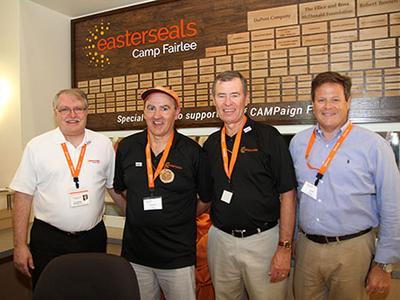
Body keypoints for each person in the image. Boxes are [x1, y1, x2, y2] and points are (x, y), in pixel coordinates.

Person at [289, 71, 400, 300]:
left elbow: (393, 205)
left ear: (348, 103)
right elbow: (294, 198)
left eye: (335, 99)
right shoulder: (298, 143)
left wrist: (383, 264)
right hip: (307, 249)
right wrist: (291, 241)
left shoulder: (374, 145)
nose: (328, 106)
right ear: (313, 104)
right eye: (321, 99)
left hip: (353, 250)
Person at [10, 88, 125, 288]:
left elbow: (113, 187)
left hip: (93, 239)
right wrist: (19, 245)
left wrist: (136, 216)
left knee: (93, 292)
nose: (72, 115)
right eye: (64, 109)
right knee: (51, 292)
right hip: (49, 240)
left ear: (87, 111)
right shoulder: (37, 146)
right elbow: (23, 195)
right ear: (55, 112)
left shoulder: (103, 144)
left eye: (78, 109)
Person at [203, 70, 297, 300]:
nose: (227, 103)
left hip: (262, 241)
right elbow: (204, 196)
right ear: (213, 100)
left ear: (246, 98)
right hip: (221, 242)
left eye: (234, 95)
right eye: (221, 95)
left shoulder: (268, 137)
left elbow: (288, 194)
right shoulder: (211, 144)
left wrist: (284, 248)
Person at [113, 86, 212, 300]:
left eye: (165, 108)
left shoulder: (193, 152)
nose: (157, 115)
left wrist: (182, 215)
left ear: (177, 113)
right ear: (144, 112)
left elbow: (205, 200)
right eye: (151, 108)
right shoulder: (127, 147)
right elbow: (121, 189)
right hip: (136, 256)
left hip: (178, 258)